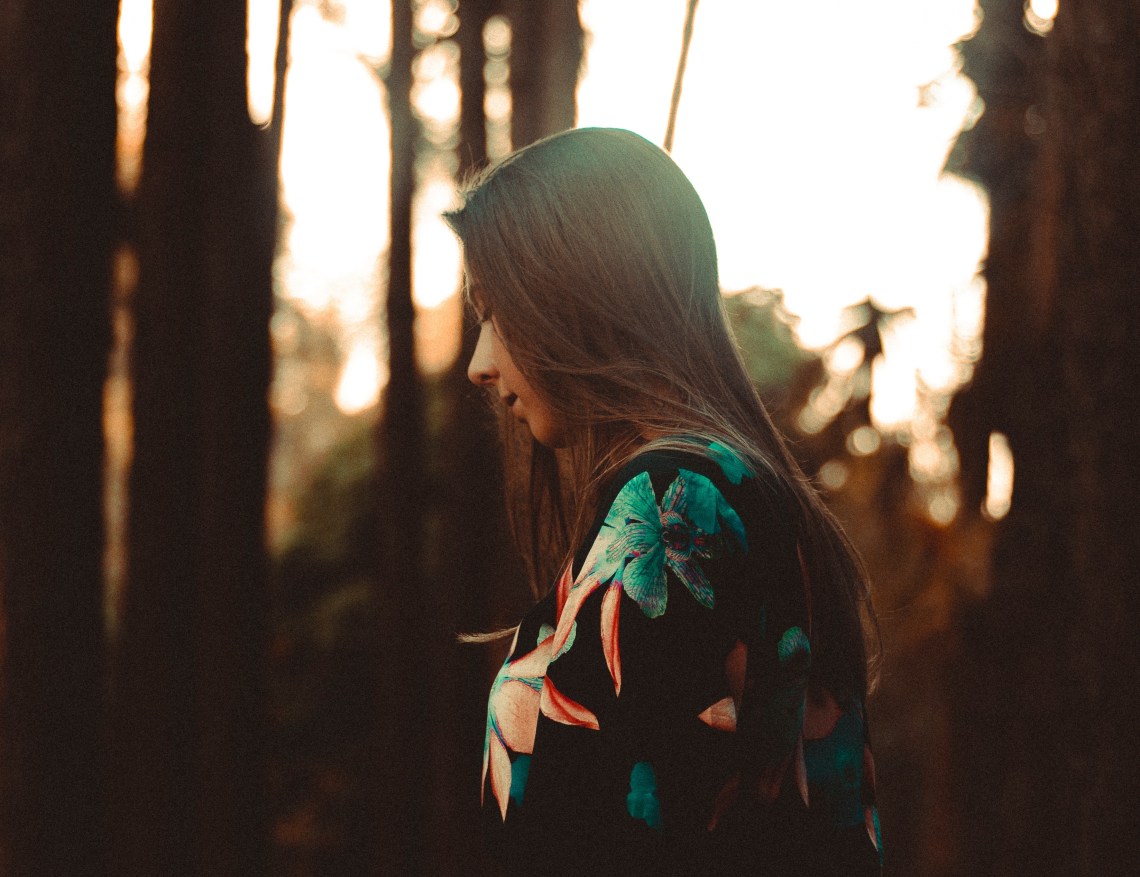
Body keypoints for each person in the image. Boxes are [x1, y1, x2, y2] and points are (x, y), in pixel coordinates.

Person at [446, 127, 883, 875]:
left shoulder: (677, 501)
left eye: (496, 312)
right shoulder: (722, 489)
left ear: (575, 292)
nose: (480, 363)